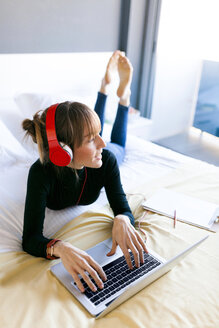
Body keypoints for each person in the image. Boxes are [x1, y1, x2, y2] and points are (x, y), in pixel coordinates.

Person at [22, 51, 147, 293]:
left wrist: (122, 218)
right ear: (63, 151)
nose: (101, 143)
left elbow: (121, 207)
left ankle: (119, 95)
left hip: (105, 160)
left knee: (117, 148)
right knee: (115, 147)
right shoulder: (40, 174)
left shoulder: (105, 159)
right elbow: (30, 239)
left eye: (97, 134)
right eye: (90, 139)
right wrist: (61, 247)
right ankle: (110, 91)